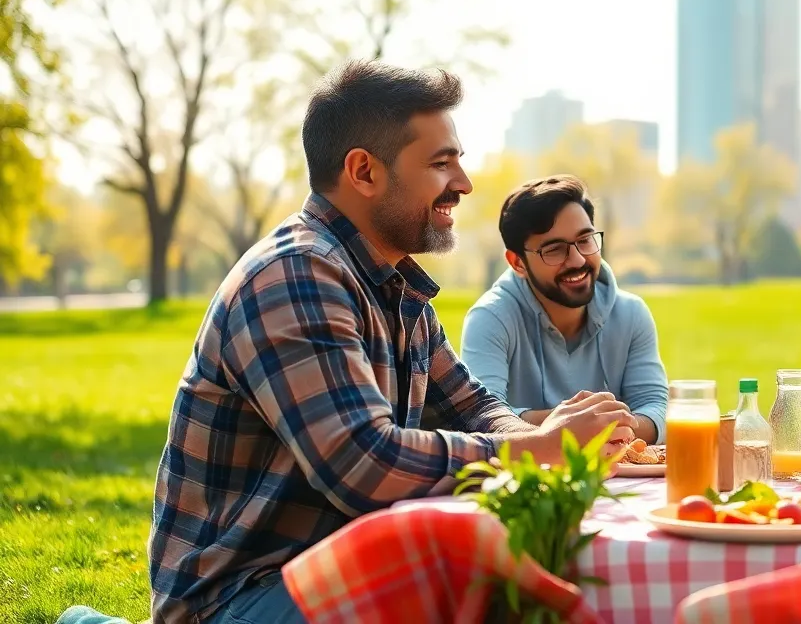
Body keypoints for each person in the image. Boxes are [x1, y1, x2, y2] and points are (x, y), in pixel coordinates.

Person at [145, 62, 635, 624]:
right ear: (364, 171)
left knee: (529, 577)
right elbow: (364, 464)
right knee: (482, 593)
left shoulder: (396, 289)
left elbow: (473, 407)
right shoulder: (296, 274)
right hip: (238, 597)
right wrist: (536, 449)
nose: (464, 184)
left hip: (342, 569)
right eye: (441, 163)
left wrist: (552, 438)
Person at [460, 175, 668, 444]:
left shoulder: (631, 314)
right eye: (555, 250)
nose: (578, 260)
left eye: (585, 240)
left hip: (618, 468)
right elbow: (480, 418)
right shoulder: (490, 319)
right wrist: (575, 425)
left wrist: (595, 425)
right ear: (517, 263)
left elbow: (658, 409)